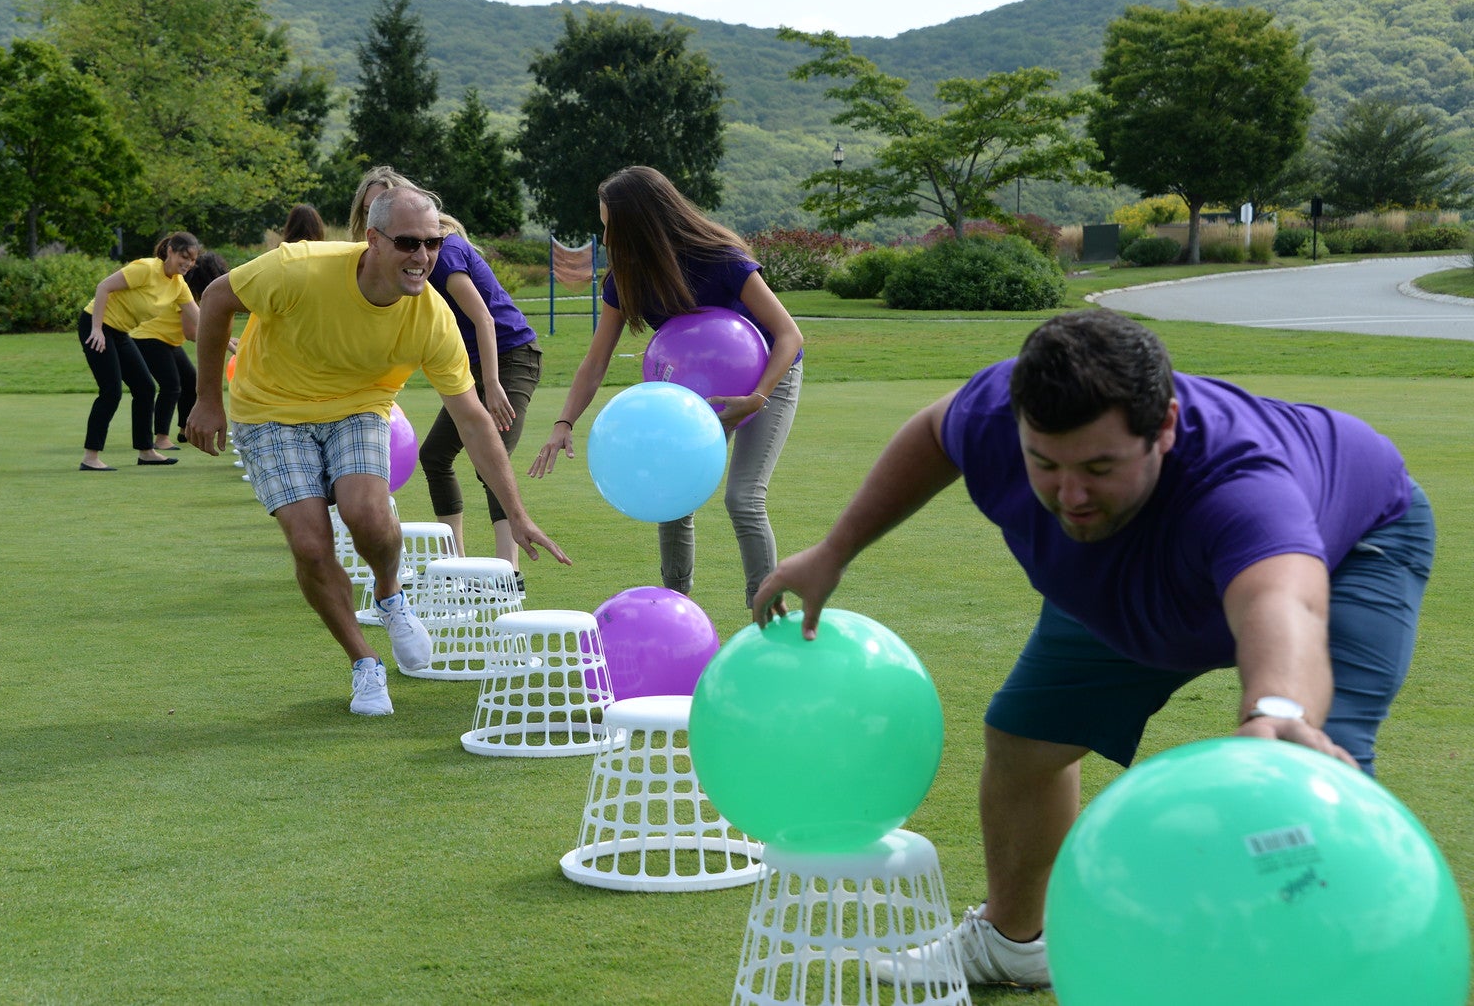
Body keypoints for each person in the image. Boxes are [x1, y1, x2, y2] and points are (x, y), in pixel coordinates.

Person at [751, 308, 1435, 991]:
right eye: (1044, 464)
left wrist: (1280, 707)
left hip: (1355, 549)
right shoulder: (998, 411)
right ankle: (1013, 945)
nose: (1070, 494)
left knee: (1316, 772)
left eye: (1100, 466)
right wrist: (835, 551)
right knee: (1026, 740)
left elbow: (1283, 600)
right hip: (1123, 574)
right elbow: (936, 431)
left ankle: (1338, 980)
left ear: (1163, 427)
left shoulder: (1242, 484)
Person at [186, 185, 570, 717]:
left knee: (366, 513)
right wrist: (207, 399)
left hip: (360, 406)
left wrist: (519, 515)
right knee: (311, 545)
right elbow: (216, 299)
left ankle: (390, 596)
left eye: (433, 243)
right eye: (409, 243)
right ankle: (365, 662)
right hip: (270, 410)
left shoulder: (432, 317)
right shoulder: (298, 267)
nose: (423, 257)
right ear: (373, 239)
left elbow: (473, 420)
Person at [529, 165, 805, 607]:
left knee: (743, 497)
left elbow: (789, 334)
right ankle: (675, 606)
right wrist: (564, 421)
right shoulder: (626, 279)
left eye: (610, 228)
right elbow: (595, 360)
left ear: (641, 224)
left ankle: (767, 610)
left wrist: (758, 397)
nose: (605, 240)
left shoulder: (721, 259)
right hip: (695, 389)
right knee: (673, 494)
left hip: (770, 374)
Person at [349, 167, 543, 579]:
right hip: (471, 364)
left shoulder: (443, 253)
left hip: (510, 357)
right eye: (368, 210)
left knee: (491, 460)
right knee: (435, 456)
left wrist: (491, 385)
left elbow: (484, 320)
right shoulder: (387, 266)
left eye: (382, 204)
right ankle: (456, 563)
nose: (376, 216)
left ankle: (507, 574)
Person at [79, 231, 202, 470]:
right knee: (111, 391)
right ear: (170, 252)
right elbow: (103, 287)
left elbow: (201, 321)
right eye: (183, 257)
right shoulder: (146, 268)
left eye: (192, 259)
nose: (188, 263)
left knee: (145, 387)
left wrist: (230, 344)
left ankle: (146, 451)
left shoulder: (178, 286)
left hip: (121, 332)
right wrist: (96, 329)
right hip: (96, 325)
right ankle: (90, 457)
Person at [131, 250, 226, 452]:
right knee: (171, 386)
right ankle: (161, 438)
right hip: (149, 337)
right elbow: (191, 332)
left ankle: (185, 430)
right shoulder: (186, 293)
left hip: (168, 341)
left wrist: (227, 341)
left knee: (190, 380)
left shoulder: (188, 290)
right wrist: (223, 341)